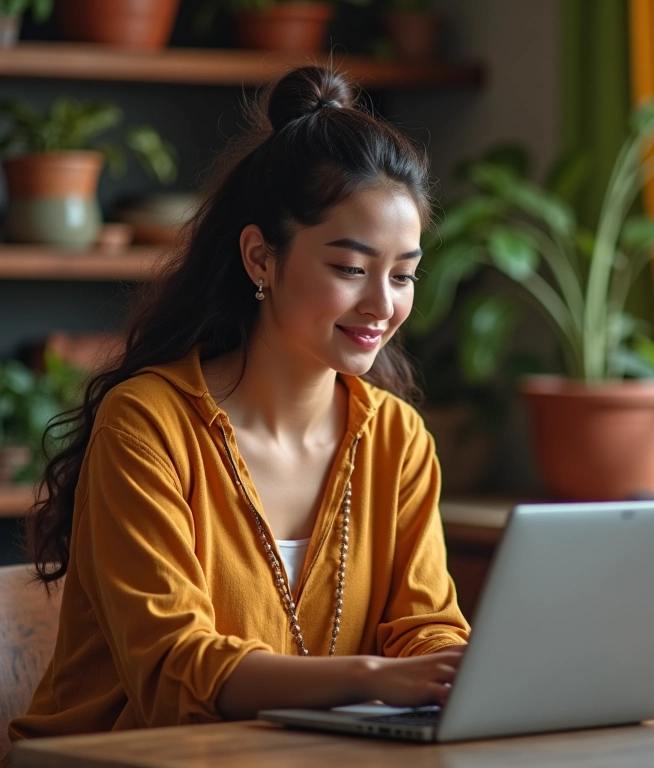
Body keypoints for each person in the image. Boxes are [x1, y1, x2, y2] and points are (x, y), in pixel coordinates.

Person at [8, 65, 469, 743]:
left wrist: (459, 671)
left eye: (403, 275)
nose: (382, 305)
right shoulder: (148, 425)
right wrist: (370, 677)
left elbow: (426, 629)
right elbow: (172, 667)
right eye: (350, 268)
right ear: (260, 257)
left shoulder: (395, 437)